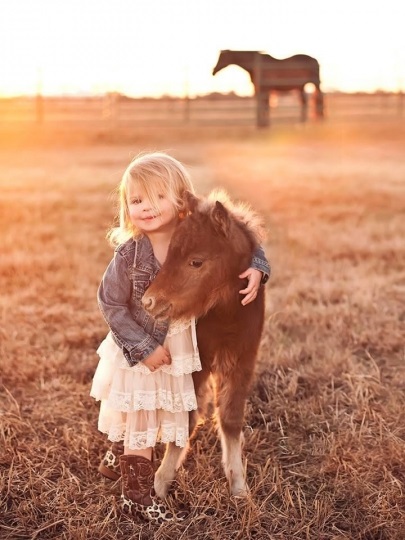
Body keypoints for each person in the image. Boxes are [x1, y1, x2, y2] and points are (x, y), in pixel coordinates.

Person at [90, 152, 270, 524]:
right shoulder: (131, 252)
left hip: (177, 339)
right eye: (136, 200)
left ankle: (126, 458)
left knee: (154, 400)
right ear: (126, 206)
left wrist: (258, 266)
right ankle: (138, 493)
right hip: (139, 344)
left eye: (158, 198)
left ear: (181, 200)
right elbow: (109, 299)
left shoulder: (193, 226)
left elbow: (240, 236)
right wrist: (141, 346)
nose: (148, 208)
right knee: (142, 407)